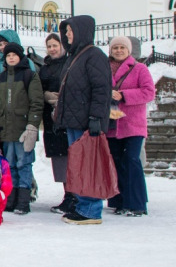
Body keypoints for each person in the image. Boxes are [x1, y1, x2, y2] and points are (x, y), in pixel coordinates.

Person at [54, 15, 112, 225]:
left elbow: (101, 90)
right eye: (66, 31)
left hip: (86, 122)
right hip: (74, 121)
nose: (67, 35)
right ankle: (82, 205)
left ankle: (90, 208)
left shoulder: (94, 55)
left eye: (70, 31)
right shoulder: (75, 56)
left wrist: (96, 117)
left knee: (88, 166)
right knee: (79, 165)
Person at [0, 42, 43, 215]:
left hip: (22, 129)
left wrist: (32, 127)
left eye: (14, 55)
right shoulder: (0, 77)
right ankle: (11, 197)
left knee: (24, 163)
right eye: (8, 56)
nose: (11, 58)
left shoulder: (29, 76)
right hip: (5, 130)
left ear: (20, 57)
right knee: (8, 164)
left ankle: (23, 199)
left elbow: (36, 102)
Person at [106, 35, 155, 217]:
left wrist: (124, 95)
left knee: (132, 161)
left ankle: (137, 203)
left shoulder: (139, 68)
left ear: (129, 50)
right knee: (117, 163)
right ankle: (121, 201)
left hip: (132, 124)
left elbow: (149, 92)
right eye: (115, 47)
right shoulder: (105, 69)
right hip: (112, 124)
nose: (118, 50)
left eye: (122, 47)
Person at [38, 33, 73, 214]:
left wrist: (62, 98)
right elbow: (38, 89)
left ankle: (74, 195)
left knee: (71, 157)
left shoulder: (70, 64)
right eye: (49, 46)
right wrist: (46, 96)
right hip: (51, 119)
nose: (52, 49)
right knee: (60, 159)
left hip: (68, 116)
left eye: (55, 45)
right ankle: (67, 194)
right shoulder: (44, 68)